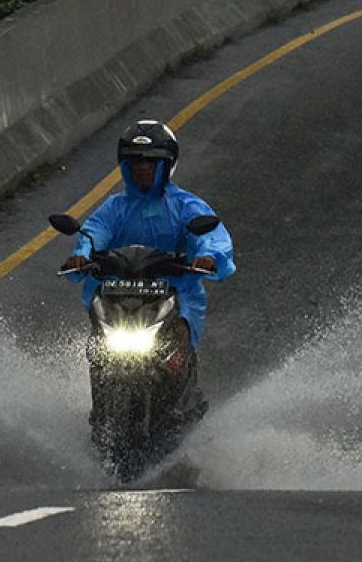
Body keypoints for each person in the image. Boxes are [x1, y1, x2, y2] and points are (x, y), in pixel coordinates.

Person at [62, 119, 235, 409]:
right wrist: (83, 253)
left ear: (166, 166)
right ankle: (101, 404)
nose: (143, 168)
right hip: (118, 293)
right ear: (125, 166)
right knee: (99, 347)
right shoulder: (114, 208)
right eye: (136, 162)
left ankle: (181, 399)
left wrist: (209, 255)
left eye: (151, 162)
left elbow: (211, 236)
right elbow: (94, 233)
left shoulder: (185, 206)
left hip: (174, 295)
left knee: (178, 334)